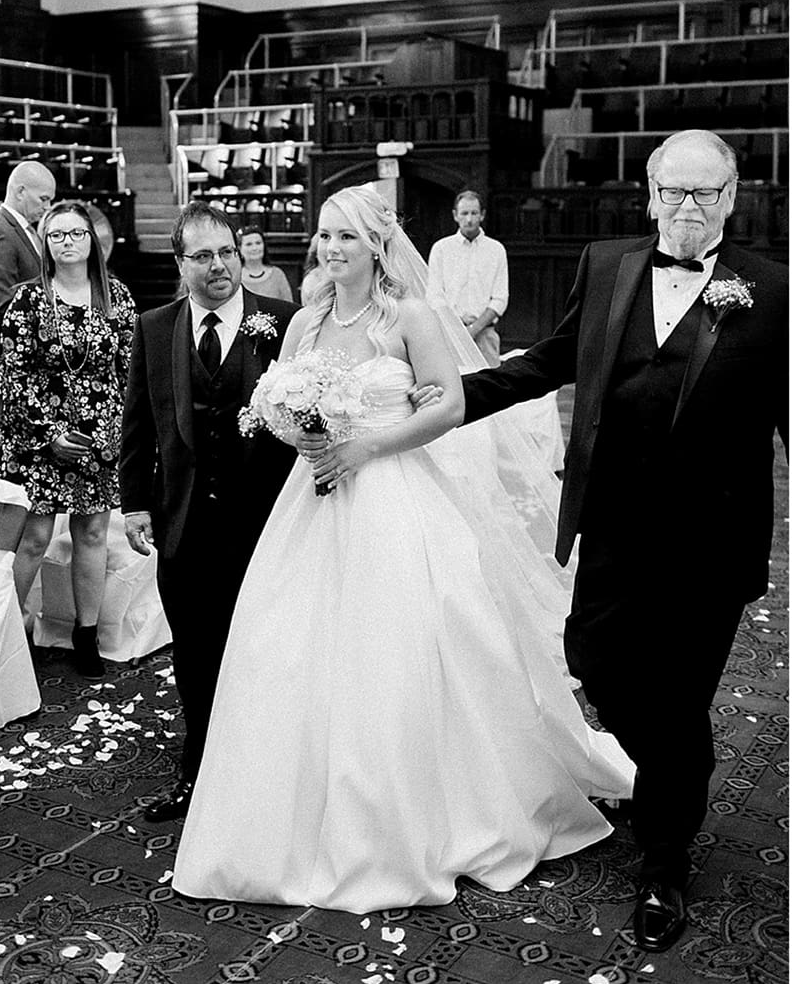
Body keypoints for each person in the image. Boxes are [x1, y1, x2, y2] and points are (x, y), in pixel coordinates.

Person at [172, 184, 635, 914]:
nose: (331, 249)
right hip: (313, 504)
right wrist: (301, 432)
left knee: (403, 651)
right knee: (286, 651)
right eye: (324, 236)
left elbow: (448, 402)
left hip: (394, 498)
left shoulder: (408, 315)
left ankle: (425, 817)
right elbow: (274, 400)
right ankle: (284, 819)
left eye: (347, 237)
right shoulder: (306, 320)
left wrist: (368, 446)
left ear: (377, 244)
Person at [461, 130, 786, 952]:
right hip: (613, 524)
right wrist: (451, 397)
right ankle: (680, 777)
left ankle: (665, 858)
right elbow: (552, 360)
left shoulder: (774, 289)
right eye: (672, 192)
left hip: (713, 541)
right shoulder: (606, 263)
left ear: (731, 196)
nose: (685, 207)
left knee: (679, 697)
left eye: (703, 194)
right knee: (594, 659)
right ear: (649, 193)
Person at [117, 202, 297, 819]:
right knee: (194, 651)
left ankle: (267, 766)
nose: (220, 266)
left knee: (264, 646)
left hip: (265, 524)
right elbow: (137, 423)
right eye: (203, 256)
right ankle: (197, 770)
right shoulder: (154, 326)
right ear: (180, 262)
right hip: (183, 522)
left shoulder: (283, 322)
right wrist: (135, 503)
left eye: (227, 252)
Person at [0, 201, 137, 680]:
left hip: (97, 438)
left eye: (76, 233)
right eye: (57, 235)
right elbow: (11, 376)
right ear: (46, 244)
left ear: (91, 241)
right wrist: (48, 434)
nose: (67, 242)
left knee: (91, 534)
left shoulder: (116, 296)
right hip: (38, 437)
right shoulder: (28, 300)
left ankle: (86, 635)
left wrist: (115, 434)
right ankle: (5, 634)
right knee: (33, 537)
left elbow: (129, 373)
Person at [427, 189, 508, 365]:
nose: (469, 219)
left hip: (485, 333)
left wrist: (475, 328)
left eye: (474, 213)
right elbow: (434, 295)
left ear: (482, 215)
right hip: (450, 334)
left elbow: (500, 298)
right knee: (452, 386)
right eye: (464, 213)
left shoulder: (496, 250)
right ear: (455, 215)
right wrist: (456, 324)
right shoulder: (441, 249)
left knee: (490, 387)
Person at [0, 160, 55, 316]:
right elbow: (0, 303)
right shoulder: (0, 231)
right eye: (43, 199)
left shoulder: (26, 230)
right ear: (21, 192)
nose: (48, 207)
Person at [236, 224, 294, 303]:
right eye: (249, 244)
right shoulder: (236, 276)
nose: (255, 248)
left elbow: (289, 306)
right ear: (239, 249)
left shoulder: (278, 274)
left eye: (258, 243)